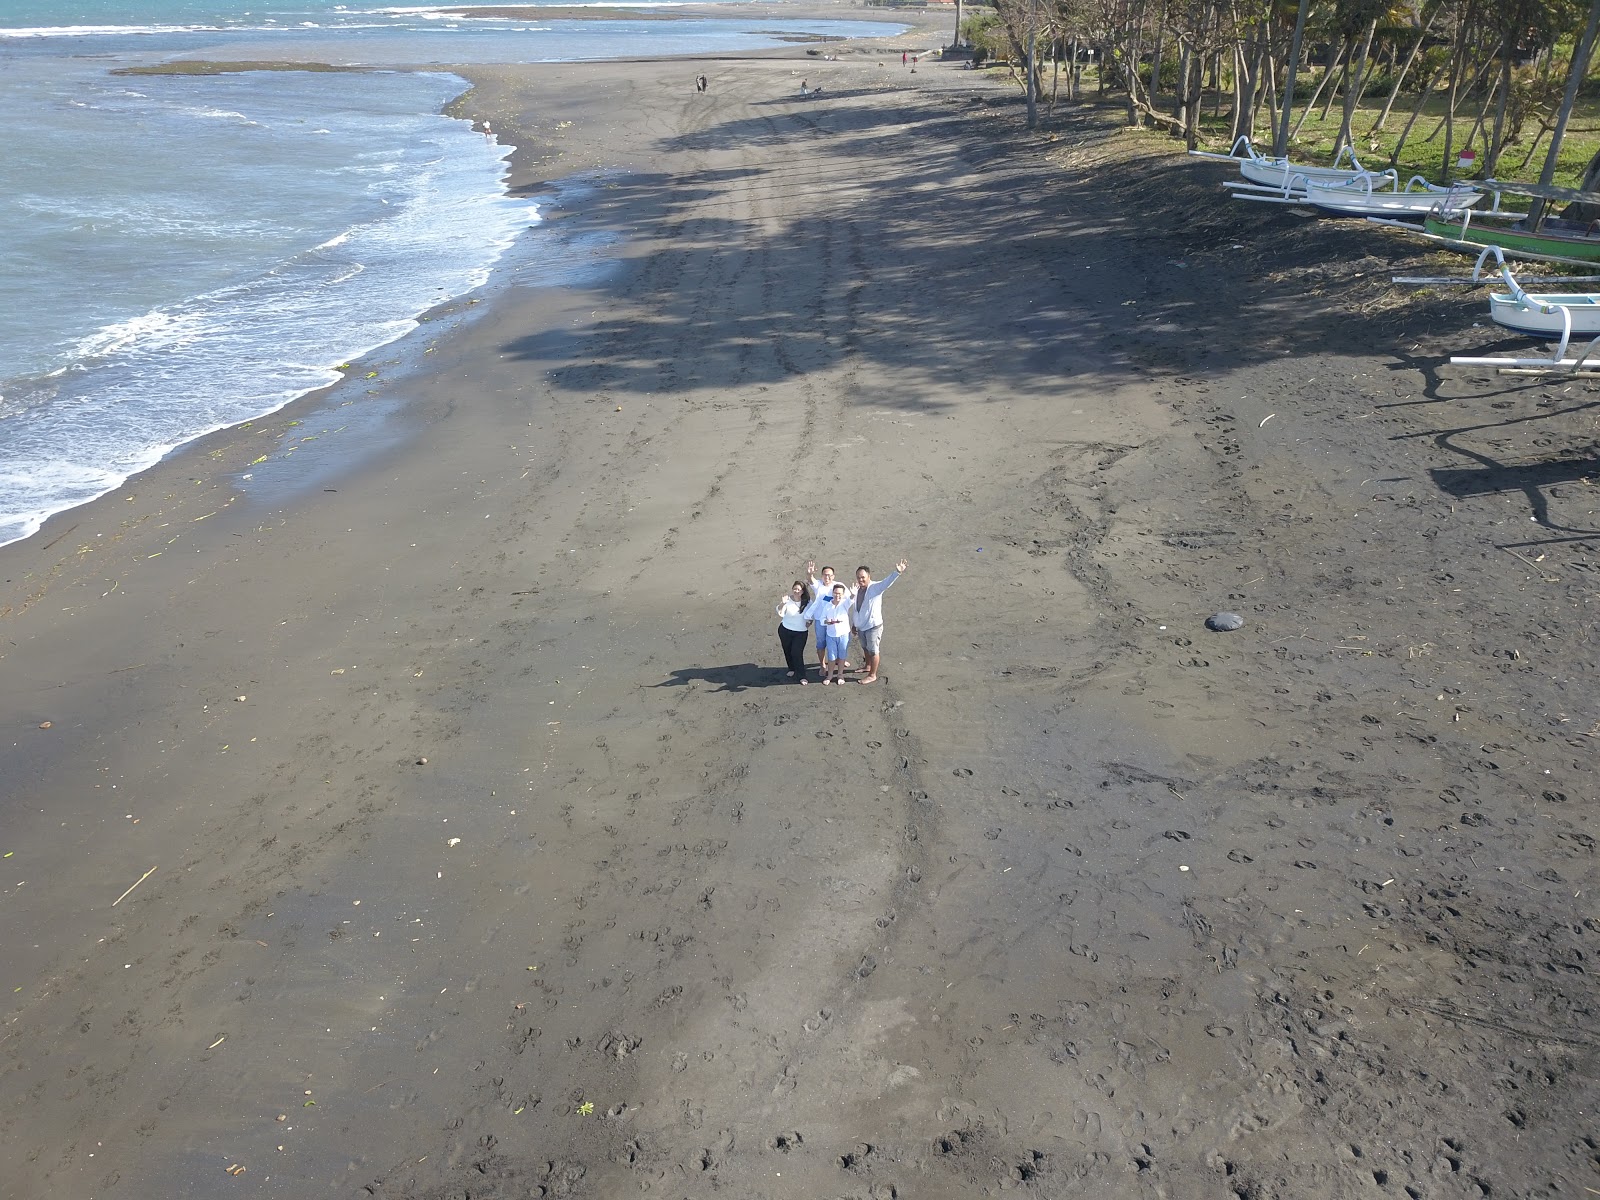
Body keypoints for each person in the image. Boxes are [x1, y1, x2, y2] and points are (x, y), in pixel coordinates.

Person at [849, 560, 907, 684]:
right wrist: (854, 624)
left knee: (873, 650)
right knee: (865, 647)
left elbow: (887, 583)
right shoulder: (857, 589)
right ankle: (867, 666)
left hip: (873, 626)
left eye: (863, 577)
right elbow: (856, 608)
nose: (860, 580)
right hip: (861, 626)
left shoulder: (875, 587)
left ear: (869, 577)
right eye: (858, 577)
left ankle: (872, 675)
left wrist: (897, 572)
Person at [804, 560, 853, 672]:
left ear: (833, 576)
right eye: (825, 575)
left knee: (840, 640)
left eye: (829, 575)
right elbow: (810, 580)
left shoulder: (838, 586)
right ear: (821, 576)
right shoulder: (818, 585)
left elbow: (849, 598)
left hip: (836, 620)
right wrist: (810, 573)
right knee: (821, 643)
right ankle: (822, 665)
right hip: (820, 620)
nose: (827, 577)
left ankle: (839, 660)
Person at [815, 584, 854, 684]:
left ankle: (840, 675)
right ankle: (830, 675)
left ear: (843, 594)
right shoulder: (828, 605)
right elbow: (822, 619)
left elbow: (851, 600)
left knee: (842, 656)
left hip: (844, 634)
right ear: (832, 593)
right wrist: (826, 622)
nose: (837, 595)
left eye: (840, 594)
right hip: (831, 635)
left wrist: (853, 594)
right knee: (831, 657)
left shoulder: (845, 603)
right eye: (836, 593)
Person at [776, 580, 812, 683]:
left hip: (800, 632)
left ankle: (801, 676)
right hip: (785, 630)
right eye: (795, 589)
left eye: (799, 590)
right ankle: (791, 668)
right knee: (787, 650)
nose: (796, 591)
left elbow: (812, 614)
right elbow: (780, 613)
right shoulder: (787, 600)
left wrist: (810, 621)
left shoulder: (808, 602)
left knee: (796, 652)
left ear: (803, 592)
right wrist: (782, 603)